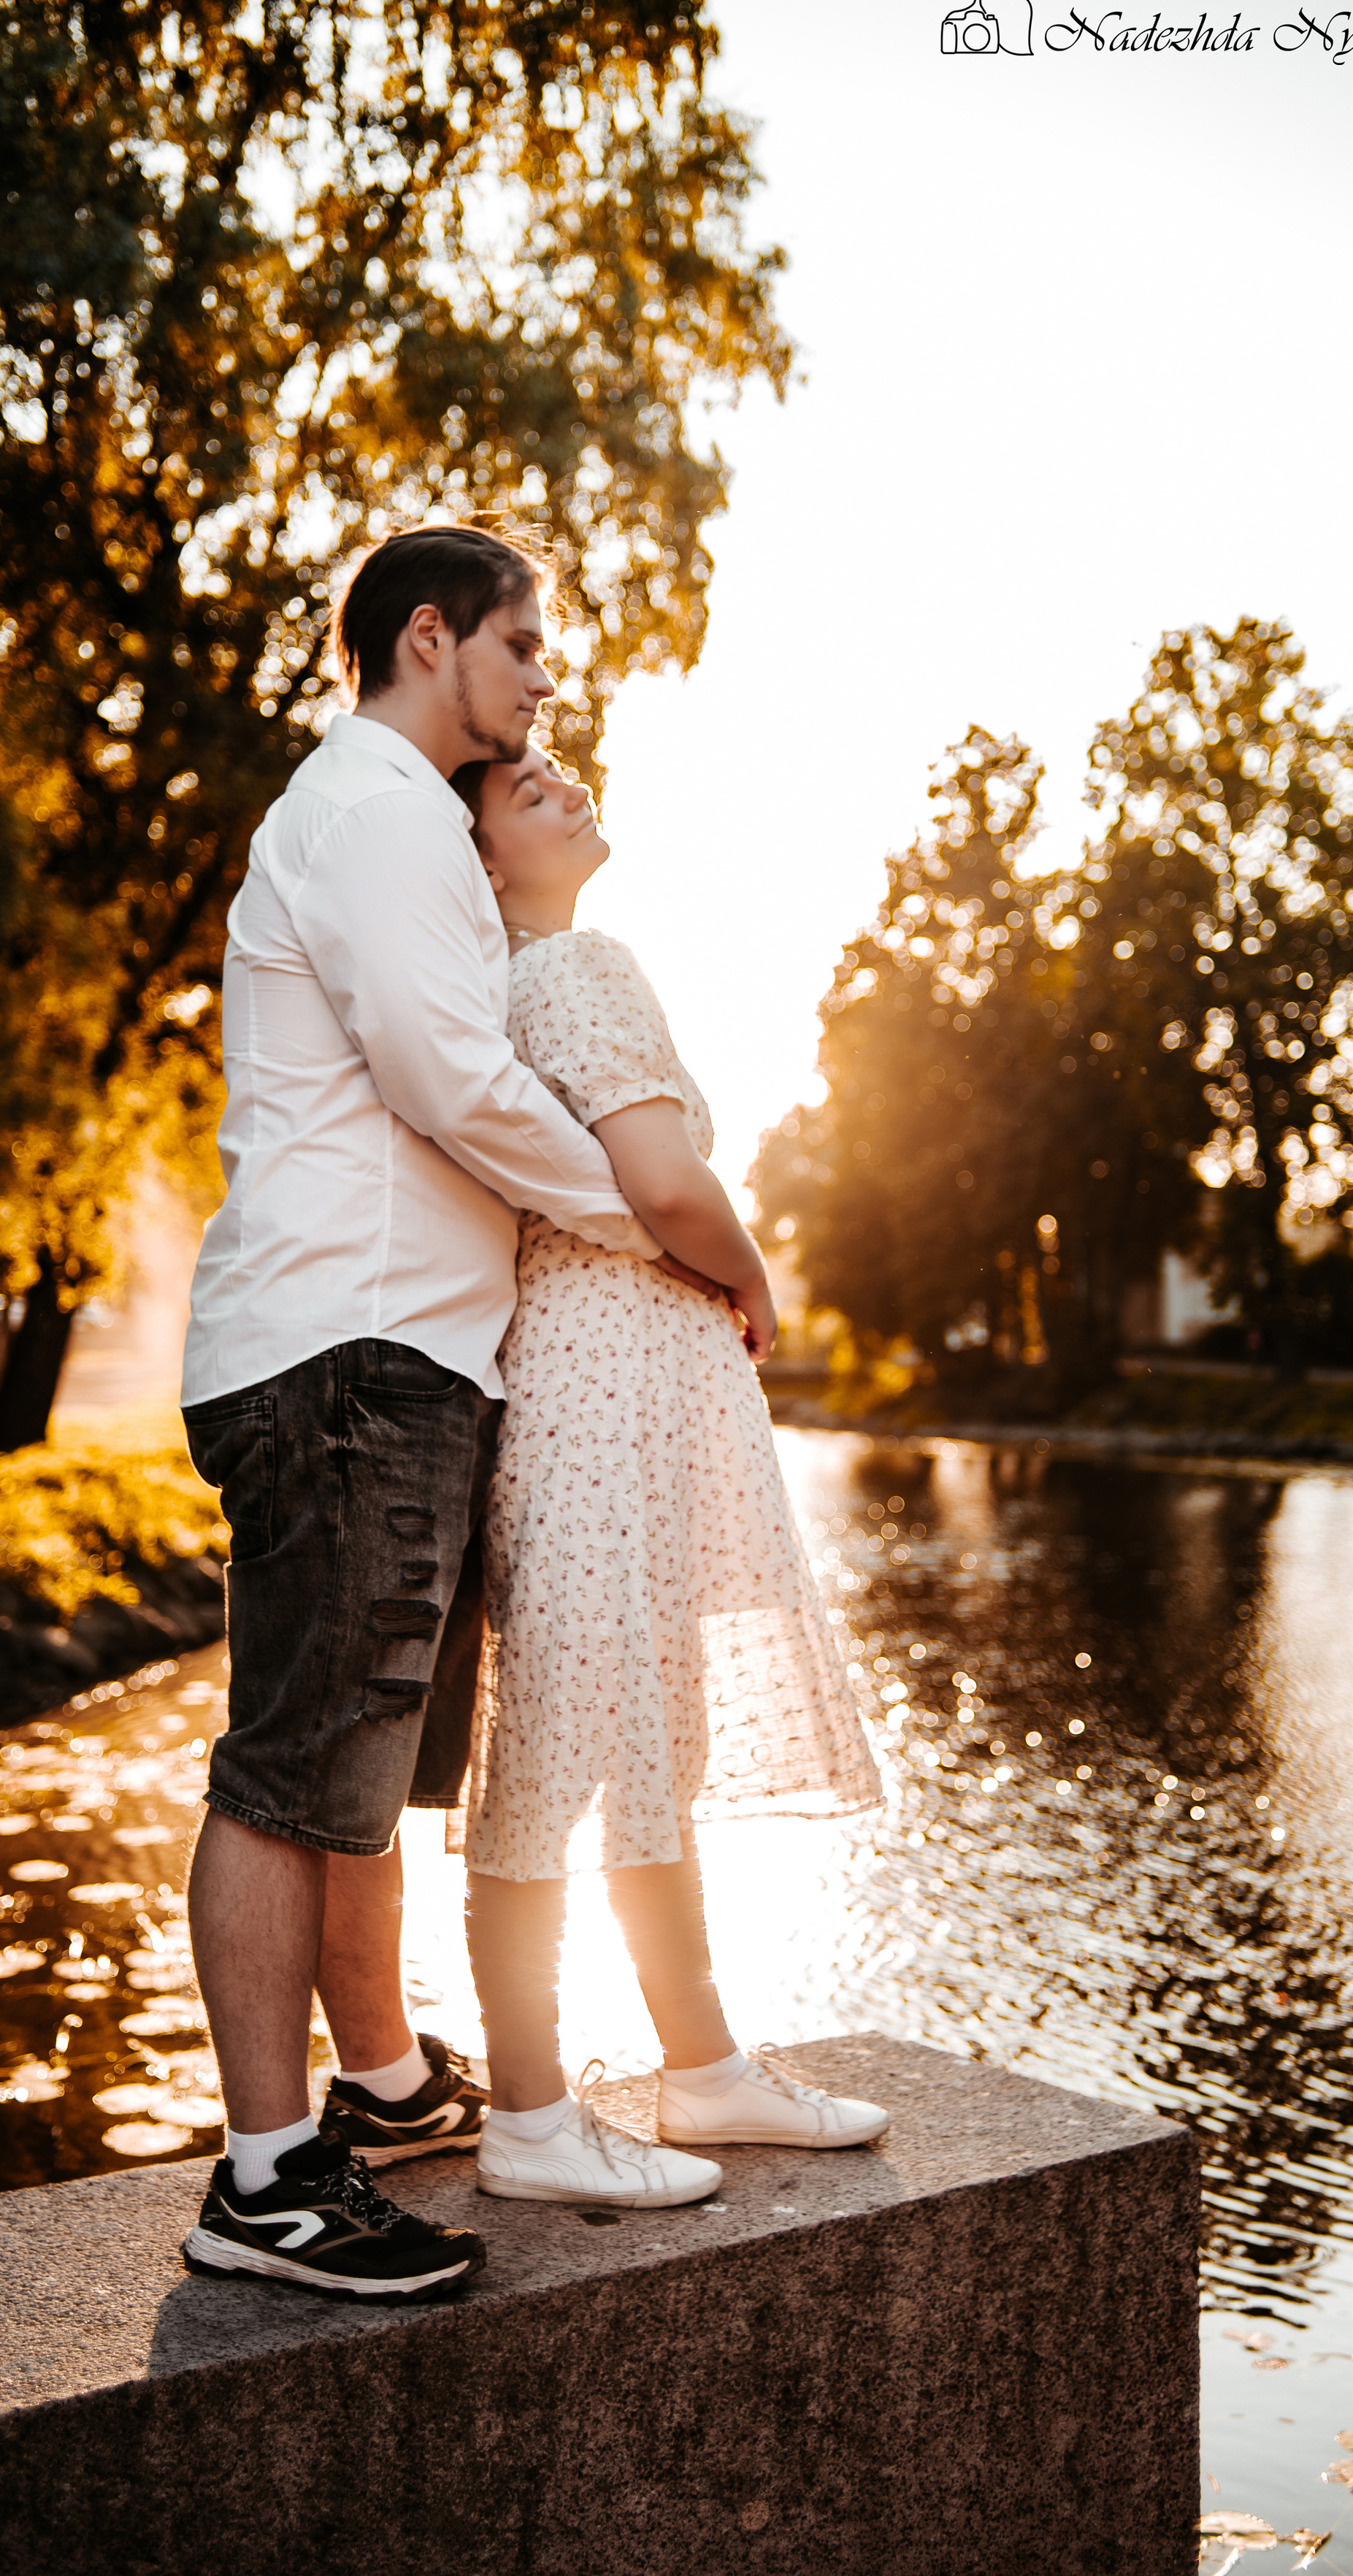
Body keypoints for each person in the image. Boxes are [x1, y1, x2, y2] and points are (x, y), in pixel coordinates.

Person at [177, 524, 671, 2297]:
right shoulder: (376, 806)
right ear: (428, 635)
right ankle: (261, 2183)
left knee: (364, 1771)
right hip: (344, 1353)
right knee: (296, 1772)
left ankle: (374, 2088)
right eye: (524, 647)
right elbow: (450, 1074)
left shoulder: (401, 820)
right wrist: (647, 1217)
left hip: (397, 1358)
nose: (545, 680)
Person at [453, 744, 889, 2210]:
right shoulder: (576, 971)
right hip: (598, 1403)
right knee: (562, 1757)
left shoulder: (508, 989)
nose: (565, 780)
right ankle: (526, 2110)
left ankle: (698, 2065)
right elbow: (663, 1184)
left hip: (601, 1393)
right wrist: (755, 1278)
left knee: (638, 1739)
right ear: (480, 852)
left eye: (564, 767)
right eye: (526, 787)